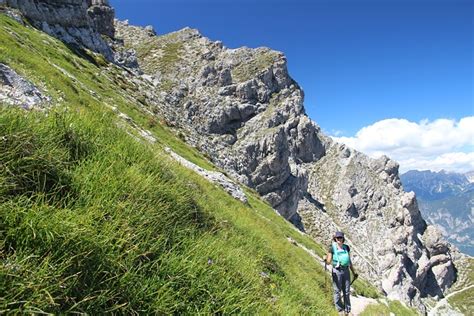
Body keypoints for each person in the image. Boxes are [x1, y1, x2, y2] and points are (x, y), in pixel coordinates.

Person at [326, 231, 358, 316]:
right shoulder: (332, 248)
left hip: (346, 271)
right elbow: (329, 261)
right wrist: (326, 260)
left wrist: (353, 272)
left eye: (341, 238)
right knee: (337, 290)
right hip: (337, 271)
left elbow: (349, 261)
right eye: (338, 238)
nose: (339, 239)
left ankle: (347, 309)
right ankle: (340, 310)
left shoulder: (346, 248)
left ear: (343, 239)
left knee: (346, 291)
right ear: (335, 239)